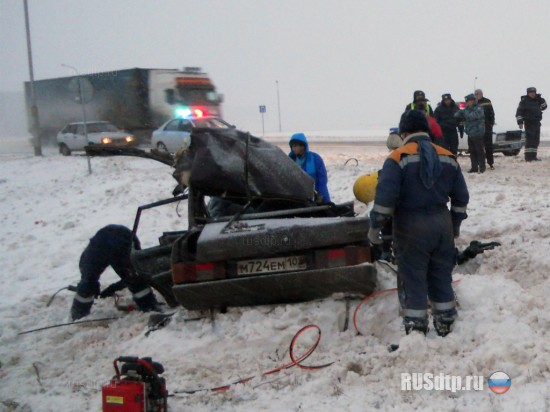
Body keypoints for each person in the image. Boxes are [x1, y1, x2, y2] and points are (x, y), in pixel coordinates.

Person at [368, 110, 469, 337]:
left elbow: (384, 202)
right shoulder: (448, 156)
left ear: (404, 132)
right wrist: (454, 225)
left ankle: (416, 330)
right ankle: (447, 326)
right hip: (442, 225)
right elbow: (461, 198)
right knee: (441, 275)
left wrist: (375, 229)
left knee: (413, 278)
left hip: (410, 227)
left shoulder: (397, 158)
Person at [70, 224, 160, 320]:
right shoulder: (91, 257)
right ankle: (148, 304)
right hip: (126, 235)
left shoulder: (88, 263)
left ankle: (79, 313)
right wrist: (111, 289)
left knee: (87, 284)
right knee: (134, 277)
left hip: (110, 240)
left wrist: (103, 290)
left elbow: (88, 284)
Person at [288, 133, 331, 202]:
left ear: (303, 146)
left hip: (314, 198)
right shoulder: (290, 161)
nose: (293, 149)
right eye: (292, 147)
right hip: (297, 200)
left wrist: (325, 200)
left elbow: (322, 182)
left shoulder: (315, 159)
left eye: (295, 146)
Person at [454, 94, 486, 173]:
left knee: (479, 151)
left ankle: (482, 167)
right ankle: (474, 167)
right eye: (466, 101)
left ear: (472, 101)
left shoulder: (478, 108)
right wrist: (460, 111)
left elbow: (473, 116)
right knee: (472, 151)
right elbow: (456, 115)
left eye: (468, 101)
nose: (467, 103)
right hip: (470, 133)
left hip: (477, 132)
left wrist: (464, 113)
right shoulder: (467, 109)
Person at [515, 87, 547, 162]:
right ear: (528, 93)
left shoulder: (538, 100)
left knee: (536, 140)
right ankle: (528, 157)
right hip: (529, 123)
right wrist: (520, 122)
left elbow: (544, 107)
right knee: (530, 140)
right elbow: (519, 113)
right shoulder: (524, 102)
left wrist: (540, 99)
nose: (532, 94)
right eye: (531, 92)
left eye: (534, 92)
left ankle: (534, 156)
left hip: (537, 122)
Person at [475, 89, 496, 169]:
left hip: (487, 127)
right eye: (476, 94)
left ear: (481, 94)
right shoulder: (474, 103)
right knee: (479, 147)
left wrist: (491, 123)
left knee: (488, 147)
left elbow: (492, 113)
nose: (477, 95)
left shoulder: (487, 101)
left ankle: (490, 163)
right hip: (477, 129)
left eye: (478, 94)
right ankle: (479, 163)